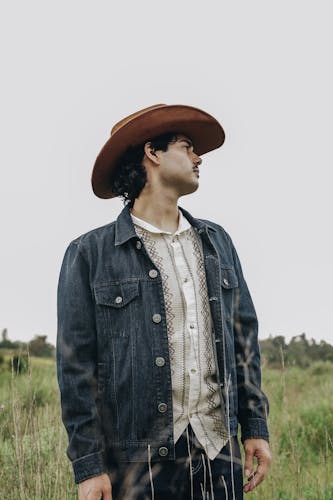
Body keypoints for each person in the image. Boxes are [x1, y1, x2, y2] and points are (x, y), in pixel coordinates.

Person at [57, 104, 271, 499]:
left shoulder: (218, 242)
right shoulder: (89, 253)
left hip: (218, 453)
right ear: (152, 153)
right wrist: (89, 467)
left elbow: (245, 341)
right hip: (136, 464)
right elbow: (75, 370)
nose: (198, 157)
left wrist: (255, 426)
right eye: (186, 146)